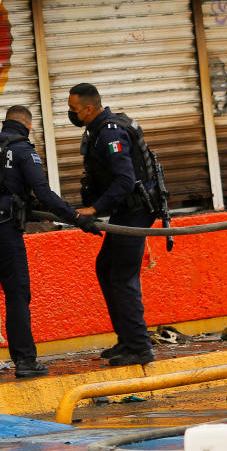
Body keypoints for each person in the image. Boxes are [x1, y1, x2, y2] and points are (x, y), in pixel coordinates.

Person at [0, 105, 100, 379]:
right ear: (28, 127)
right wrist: (77, 218)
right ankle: (25, 361)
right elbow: (43, 193)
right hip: (1, 229)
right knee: (17, 294)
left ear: (5, 122)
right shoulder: (23, 150)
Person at [67, 83, 158, 368]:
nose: (70, 113)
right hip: (125, 210)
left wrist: (94, 209)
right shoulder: (99, 128)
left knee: (121, 276)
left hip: (135, 212)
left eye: (73, 109)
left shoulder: (110, 132)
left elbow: (124, 179)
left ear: (89, 109)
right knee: (106, 267)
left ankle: (140, 347)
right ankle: (127, 339)